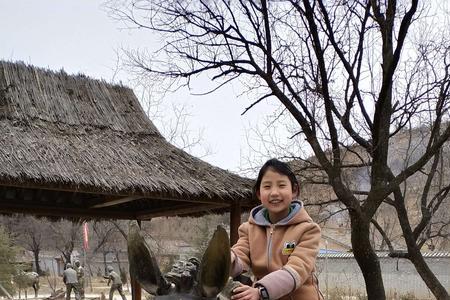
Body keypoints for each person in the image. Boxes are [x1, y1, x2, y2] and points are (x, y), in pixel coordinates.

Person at [230, 158, 323, 300]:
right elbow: (240, 255)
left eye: (281, 185)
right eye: (267, 187)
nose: (274, 192)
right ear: (259, 193)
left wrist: (261, 291)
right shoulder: (248, 229)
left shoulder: (308, 230)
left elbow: (297, 269)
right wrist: (227, 259)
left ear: (294, 190)